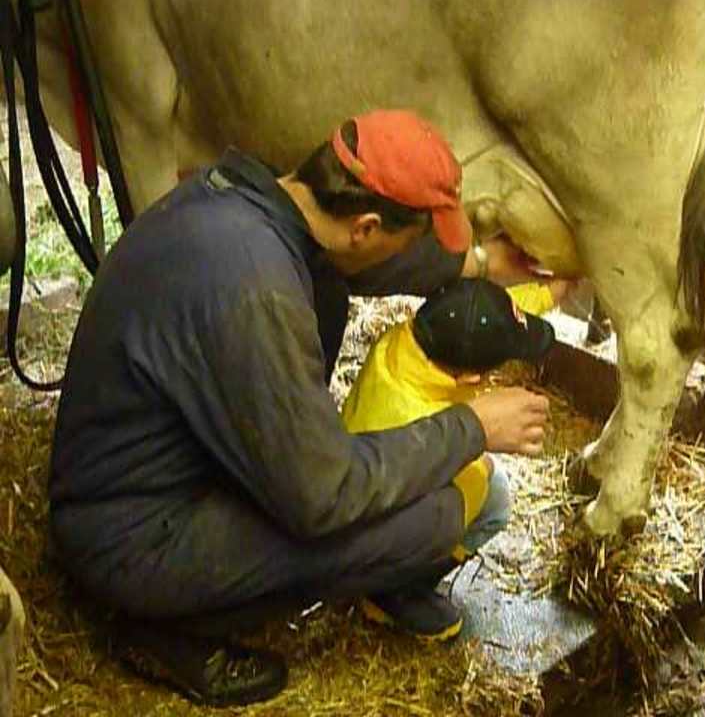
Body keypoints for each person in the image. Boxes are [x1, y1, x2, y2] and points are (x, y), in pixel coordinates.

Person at [48, 109, 550, 707]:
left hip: (145, 477)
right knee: (434, 519)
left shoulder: (251, 203)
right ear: (364, 226)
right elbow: (323, 494)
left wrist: (483, 265)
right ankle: (160, 628)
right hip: (130, 541)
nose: (407, 253)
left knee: (332, 291)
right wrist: (472, 425)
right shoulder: (255, 288)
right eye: (409, 236)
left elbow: (367, 263)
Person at [342, 278, 573, 640]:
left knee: (487, 479)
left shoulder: (410, 338)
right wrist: (483, 442)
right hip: (369, 517)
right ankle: (392, 592)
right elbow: (443, 471)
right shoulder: (419, 420)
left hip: (369, 462)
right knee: (492, 500)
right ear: (470, 376)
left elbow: (487, 312)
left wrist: (549, 293)